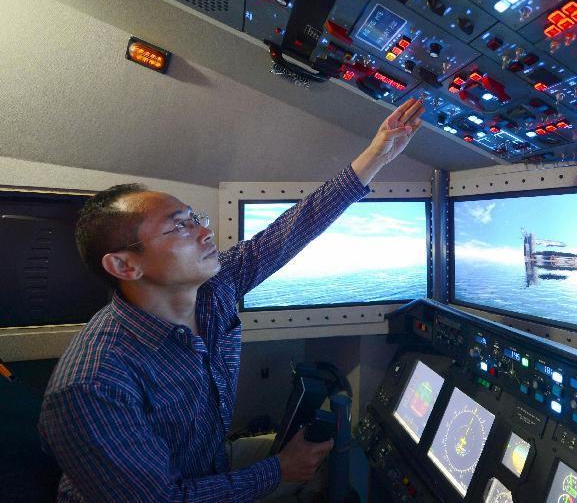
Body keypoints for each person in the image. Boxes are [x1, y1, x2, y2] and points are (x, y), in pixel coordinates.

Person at [38, 99, 426, 502]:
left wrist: (376, 155)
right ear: (124, 265)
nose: (204, 233)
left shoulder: (211, 292)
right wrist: (278, 470)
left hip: (209, 462)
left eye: (195, 218)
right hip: (166, 493)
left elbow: (290, 232)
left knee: (331, 459)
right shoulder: (92, 386)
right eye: (179, 227)